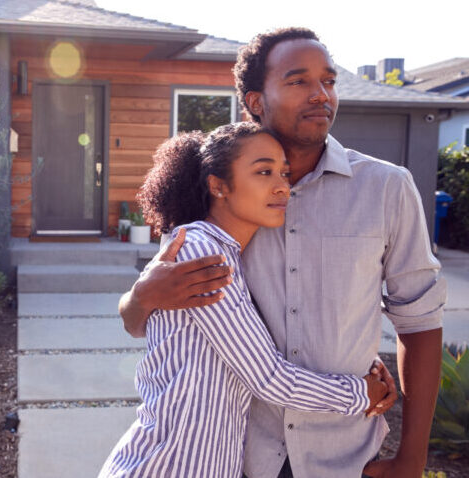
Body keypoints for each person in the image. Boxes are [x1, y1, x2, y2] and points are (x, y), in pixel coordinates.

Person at [118, 28, 445, 478]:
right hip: (241, 456)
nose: (320, 95)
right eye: (298, 81)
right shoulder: (217, 196)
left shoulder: (387, 188)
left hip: (345, 456)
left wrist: (413, 458)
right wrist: (138, 299)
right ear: (255, 100)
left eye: (328, 81)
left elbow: (421, 322)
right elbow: (149, 321)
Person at [99, 122, 392, 478]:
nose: (282, 185)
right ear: (218, 185)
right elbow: (269, 378)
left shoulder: (232, 254)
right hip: (165, 466)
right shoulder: (202, 253)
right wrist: (361, 393)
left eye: (283, 173)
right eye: (264, 172)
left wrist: (360, 355)